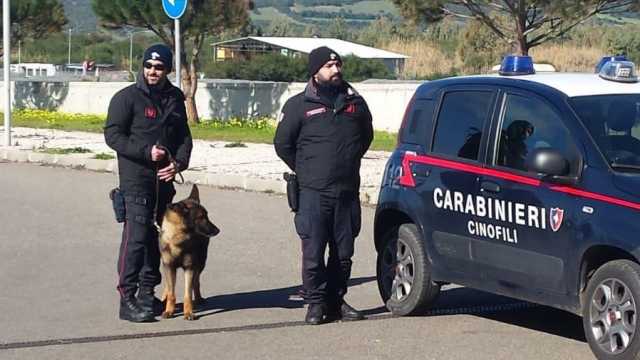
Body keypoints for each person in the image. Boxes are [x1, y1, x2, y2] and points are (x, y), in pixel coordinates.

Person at [274, 46, 374, 325]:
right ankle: (315, 304)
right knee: (314, 253)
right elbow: (282, 144)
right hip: (313, 192)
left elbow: (365, 137)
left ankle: (335, 301)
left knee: (343, 255)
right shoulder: (298, 106)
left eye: (338, 65)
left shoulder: (356, 103)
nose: (336, 70)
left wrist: (346, 161)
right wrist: (306, 169)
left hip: (346, 192)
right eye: (329, 66)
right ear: (315, 71)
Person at [104, 44, 193, 322]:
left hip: (163, 183)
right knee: (136, 239)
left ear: (167, 70)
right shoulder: (126, 98)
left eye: (159, 67)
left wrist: (177, 163)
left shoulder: (175, 97)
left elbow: (184, 138)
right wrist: (146, 152)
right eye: (149, 66)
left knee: (158, 241)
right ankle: (126, 298)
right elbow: (113, 136)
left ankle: (147, 293)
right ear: (143, 67)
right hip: (135, 180)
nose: (153, 71)